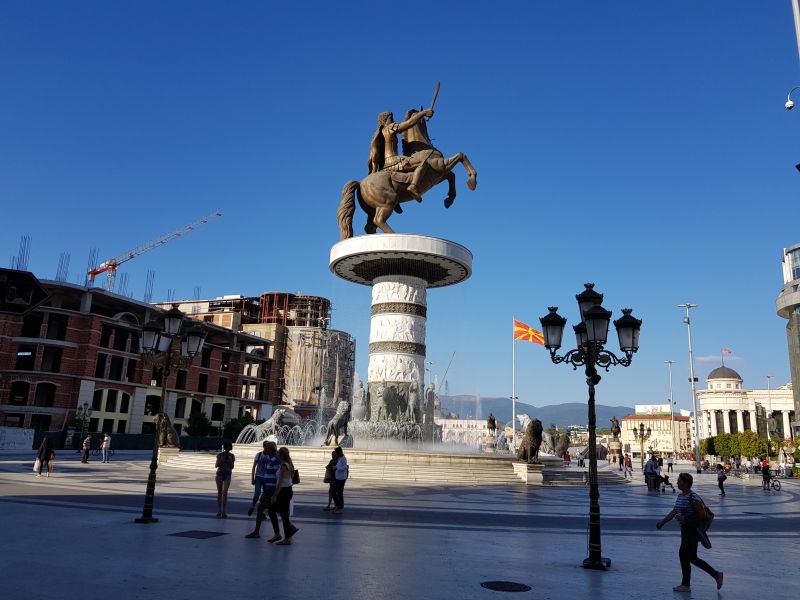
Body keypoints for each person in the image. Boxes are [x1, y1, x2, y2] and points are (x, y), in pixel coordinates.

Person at [656, 472, 723, 593]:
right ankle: (716, 575)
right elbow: (674, 511)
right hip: (685, 530)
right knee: (691, 557)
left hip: (692, 531)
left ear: (686, 483)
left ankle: (686, 584)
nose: (677, 483)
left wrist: (685, 519)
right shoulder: (681, 496)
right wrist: (663, 522)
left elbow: (702, 515)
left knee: (684, 555)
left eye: (679, 481)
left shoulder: (693, 497)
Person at [367, 109, 435, 201]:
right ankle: (413, 187)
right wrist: (423, 113)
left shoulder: (379, 133)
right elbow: (409, 124)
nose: (393, 120)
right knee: (423, 162)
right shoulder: (390, 128)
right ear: (385, 120)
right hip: (395, 161)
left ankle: (396, 201)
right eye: (391, 118)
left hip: (384, 166)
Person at [269, 447, 300, 545]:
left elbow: (281, 482)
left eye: (278, 454)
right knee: (274, 512)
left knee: (282, 514)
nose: (277, 455)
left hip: (283, 491)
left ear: (282, 455)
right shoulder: (289, 464)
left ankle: (287, 538)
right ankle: (281, 534)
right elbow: (290, 478)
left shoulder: (284, 466)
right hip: (287, 490)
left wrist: (274, 495)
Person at [247, 441, 279, 517]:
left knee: (265, 496)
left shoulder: (271, 456)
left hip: (266, 479)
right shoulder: (259, 455)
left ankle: (262, 512)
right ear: (263, 446)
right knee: (257, 494)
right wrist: (252, 478)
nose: (266, 448)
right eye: (265, 446)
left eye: (267, 446)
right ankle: (253, 506)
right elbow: (254, 466)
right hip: (258, 477)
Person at [214, 441, 235, 518]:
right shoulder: (220, 455)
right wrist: (221, 460)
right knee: (219, 492)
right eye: (227, 448)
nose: (227, 450)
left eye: (229, 448)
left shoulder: (232, 456)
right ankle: (219, 510)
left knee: (225, 492)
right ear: (225, 448)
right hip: (220, 474)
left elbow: (232, 466)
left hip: (227, 475)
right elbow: (216, 465)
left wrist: (230, 461)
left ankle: (224, 511)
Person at [331, 446, 349, 514]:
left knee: (339, 493)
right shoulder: (340, 458)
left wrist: (337, 468)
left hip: (341, 479)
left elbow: (345, 467)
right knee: (334, 492)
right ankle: (337, 506)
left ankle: (340, 507)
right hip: (338, 478)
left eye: (336, 452)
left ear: (339, 452)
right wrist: (335, 467)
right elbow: (339, 466)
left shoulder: (343, 458)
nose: (335, 453)